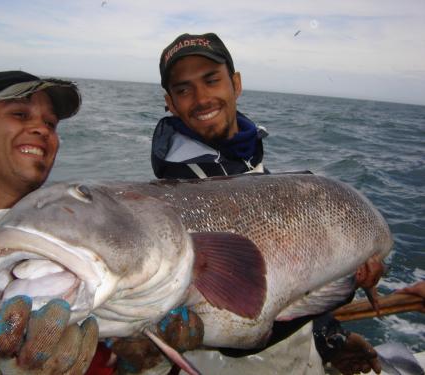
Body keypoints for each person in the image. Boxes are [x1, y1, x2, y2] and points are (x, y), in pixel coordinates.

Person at [150, 32, 384, 375]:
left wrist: (329, 339)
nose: (201, 98)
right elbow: (244, 324)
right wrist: (345, 286)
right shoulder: (177, 197)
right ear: (170, 102)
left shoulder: (248, 160)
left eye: (211, 80)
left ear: (236, 84)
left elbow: (291, 274)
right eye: (183, 90)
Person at [0, 69, 113, 374]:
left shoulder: (86, 233)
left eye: (50, 123)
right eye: (20, 114)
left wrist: (142, 362)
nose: (42, 129)